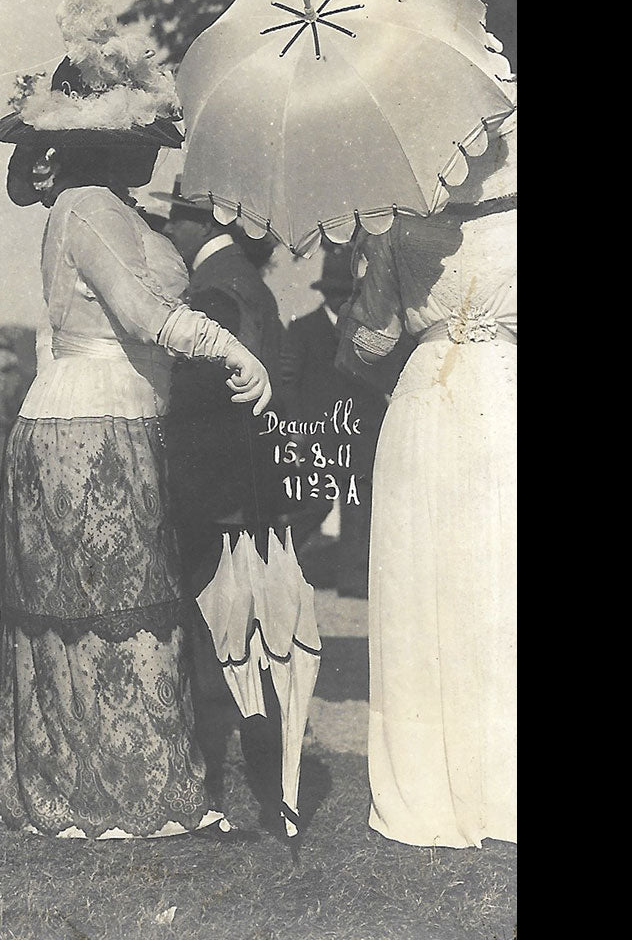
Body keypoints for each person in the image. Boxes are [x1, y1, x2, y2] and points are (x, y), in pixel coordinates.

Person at [0, 0, 272, 840]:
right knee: (113, 605)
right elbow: (144, 316)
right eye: (141, 142)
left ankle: (94, 792)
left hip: (104, 416)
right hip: (91, 420)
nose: (150, 157)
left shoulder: (103, 209)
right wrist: (235, 351)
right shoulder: (91, 209)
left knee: (102, 605)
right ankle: (121, 799)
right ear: (110, 143)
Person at [335, 114, 517, 848]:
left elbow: (367, 345)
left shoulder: (396, 212)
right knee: (498, 583)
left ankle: (433, 787)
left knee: (426, 584)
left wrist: (361, 287)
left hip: (426, 400)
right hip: (502, 391)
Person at [152, 179, 289, 822]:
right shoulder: (247, 279)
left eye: (173, 223)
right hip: (247, 484)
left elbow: (197, 408)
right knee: (245, 629)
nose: (167, 236)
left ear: (195, 226)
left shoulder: (213, 292)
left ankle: (208, 775)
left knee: (212, 632)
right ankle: (265, 773)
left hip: (210, 488)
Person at [279, 244, 412, 598]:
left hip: (362, 432)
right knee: (314, 503)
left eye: (349, 294)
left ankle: (354, 579)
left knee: (359, 506)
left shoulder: (368, 335)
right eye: (339, 294)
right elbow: (288, 382)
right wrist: (296, 429)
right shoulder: (303, 329)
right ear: (327, 294)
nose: (344, 302)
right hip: (320, 435)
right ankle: (276, 563)